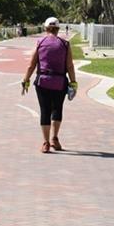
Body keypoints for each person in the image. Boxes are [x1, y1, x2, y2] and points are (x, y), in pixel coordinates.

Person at [21, 17, 76, 153]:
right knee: (57, 109)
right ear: (58, 29)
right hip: (60, 82)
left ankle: (45, 143)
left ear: (46, 28)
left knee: (45, 111)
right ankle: (54, 139)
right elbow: (69, 65)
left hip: (43, 82)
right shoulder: (65, 44)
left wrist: (25, 80)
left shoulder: (40, 43)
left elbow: (31, 64)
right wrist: (73, 82)